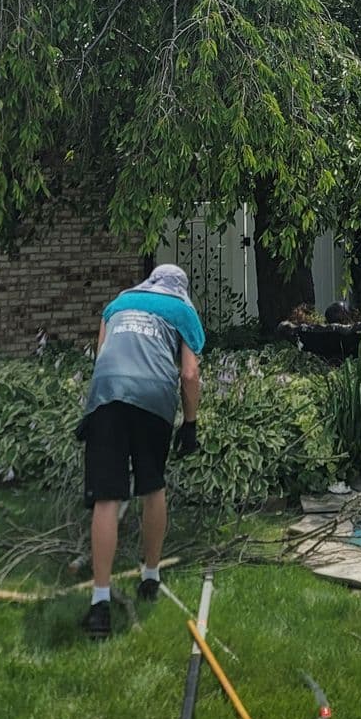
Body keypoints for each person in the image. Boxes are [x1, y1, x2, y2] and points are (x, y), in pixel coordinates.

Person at [76, 262, 204, 639]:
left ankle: (99, 605)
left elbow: (102, 357)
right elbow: (190, 374)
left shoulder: (117, 304)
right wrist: (191, 425)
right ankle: (150, 577)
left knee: (106, 498)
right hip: (153, 399)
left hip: (107, 396)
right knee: (152, 486)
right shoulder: (182, 309)